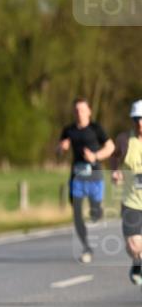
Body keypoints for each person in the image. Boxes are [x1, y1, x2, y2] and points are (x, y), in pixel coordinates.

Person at [57, 98, 115, 263]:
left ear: (89, 111)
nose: (79, 113)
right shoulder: (68, 130)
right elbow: (59, 149)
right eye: (76, 110)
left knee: (95, 212)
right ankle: (87, 247)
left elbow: (110, 147)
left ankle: (97, 210)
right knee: (76, 214)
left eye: (82, 110)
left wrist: (95, 156)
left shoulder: (96, 129)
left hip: (94, 175)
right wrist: (62, 148)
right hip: (77, 177)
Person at [110, 100, 142, 289]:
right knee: (134, 246)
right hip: (131, 202)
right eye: (136, 119)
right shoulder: (124, 140)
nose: (140, 123)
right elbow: (114, 156)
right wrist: (115, 171)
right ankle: (137, 262)